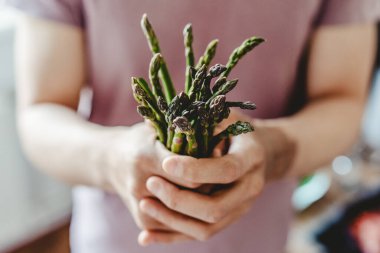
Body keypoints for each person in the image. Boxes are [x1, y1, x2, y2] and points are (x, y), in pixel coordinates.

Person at [6, 0, 380, 252]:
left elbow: (343, 100)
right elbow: (41, 111)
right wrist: (112, 160)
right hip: (116, 239)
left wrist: (270, 151)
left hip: (260, 239)